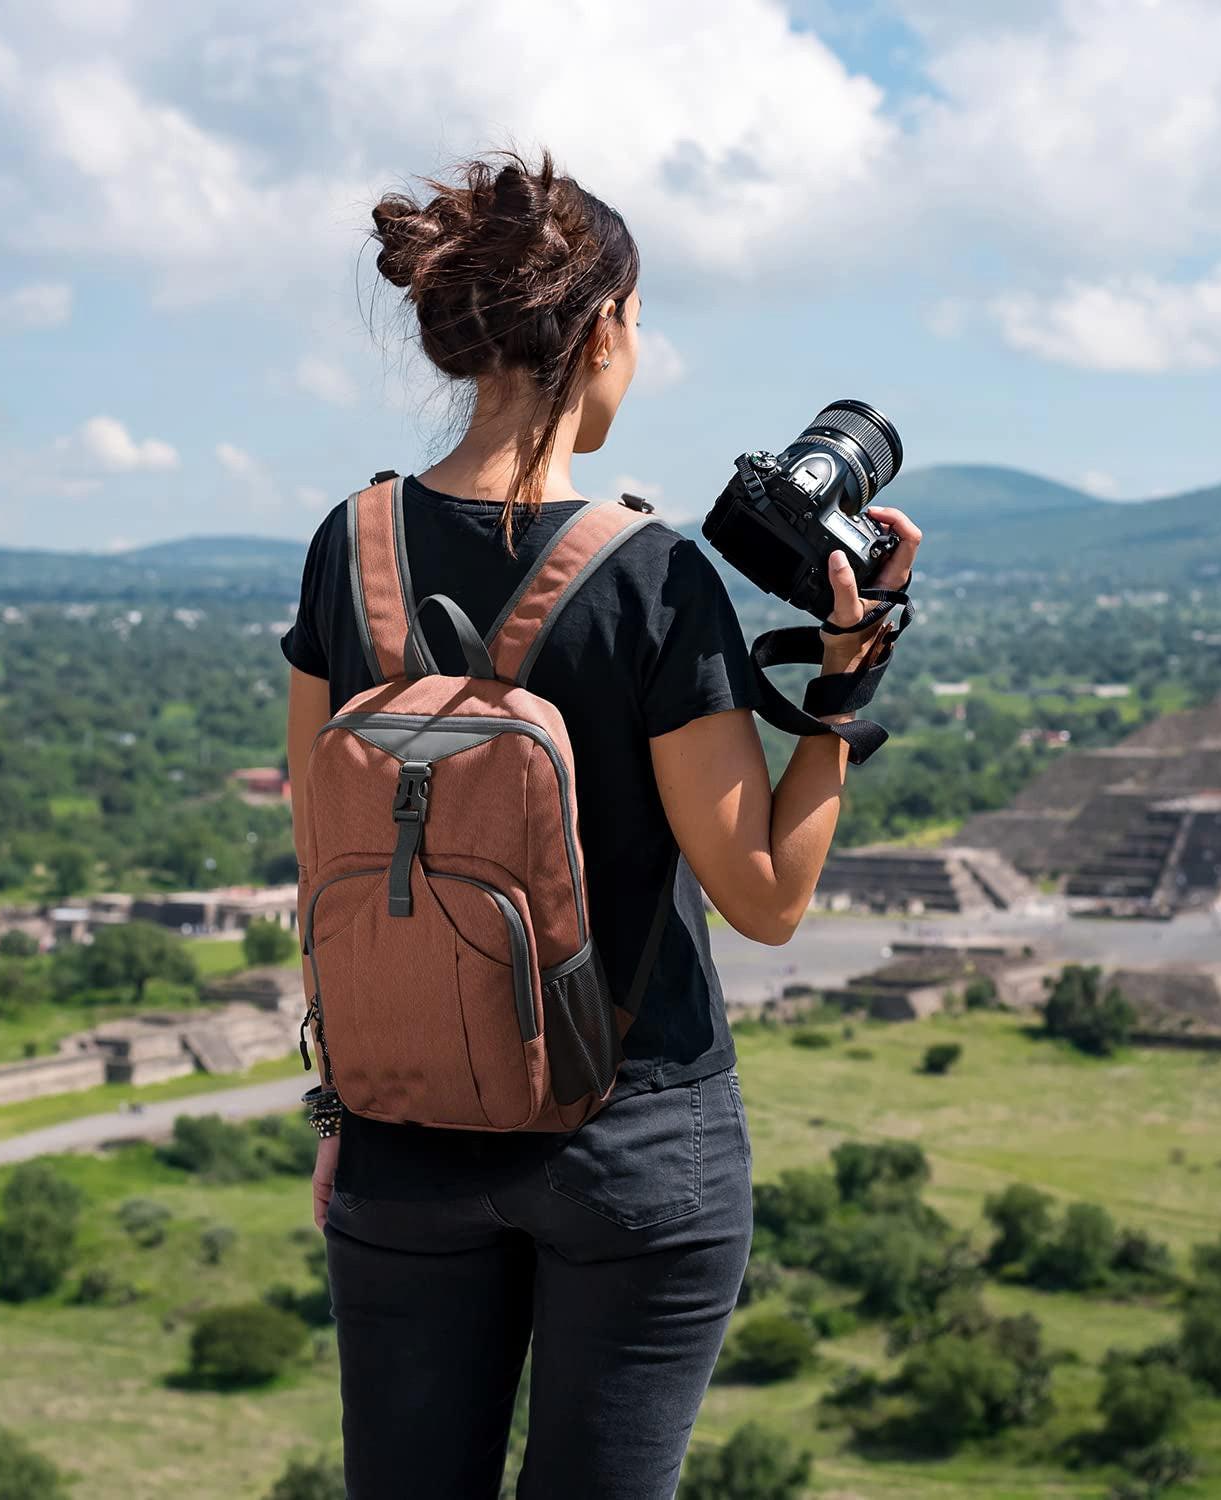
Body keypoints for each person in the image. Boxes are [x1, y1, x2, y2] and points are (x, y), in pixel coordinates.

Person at [282, 150, 920, 1500]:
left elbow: (321, 853)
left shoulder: (350, 546)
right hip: (633, 1144)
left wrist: (344, 1104)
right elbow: (765, 897)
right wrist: (842, 694)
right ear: (606, 329)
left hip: (404, 1133)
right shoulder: (651, 575)